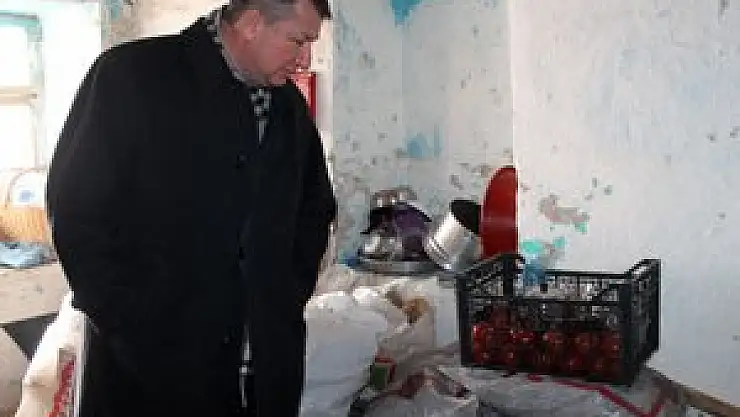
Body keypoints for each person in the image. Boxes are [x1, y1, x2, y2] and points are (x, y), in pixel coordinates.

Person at [45, 0, 336, 415]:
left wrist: (285, 295)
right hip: (149, 368)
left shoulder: (287, 106)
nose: (305, 59)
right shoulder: (130, 78)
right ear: (253, 24)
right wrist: (128, 324)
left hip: (261, 368)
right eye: (298, 41)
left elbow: (314, 209)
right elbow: (76, 213)